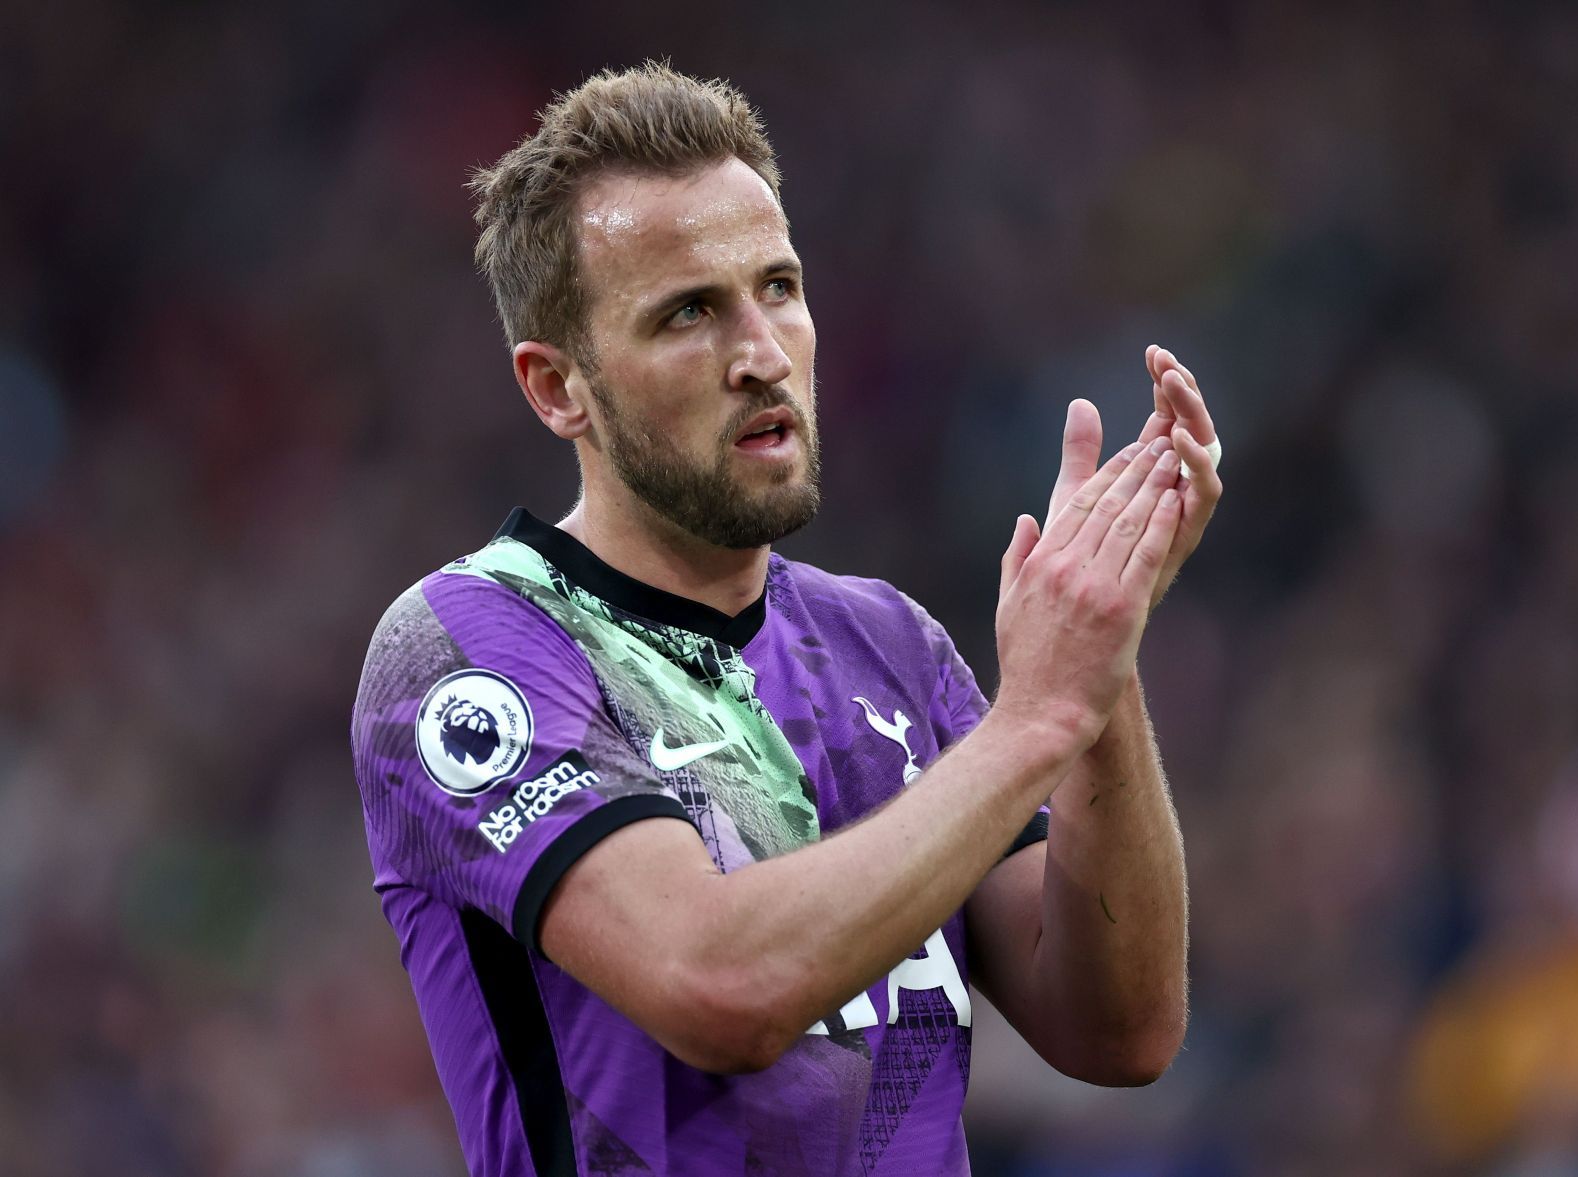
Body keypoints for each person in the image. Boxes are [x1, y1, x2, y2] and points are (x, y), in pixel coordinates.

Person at [349, 62, 1223, 1177]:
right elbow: (720, 988)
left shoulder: (889, 646)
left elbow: (1120, 1029)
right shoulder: (470, 650)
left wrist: (1100, 654)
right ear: (559, 387)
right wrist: (1040, 716)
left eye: (779, 287)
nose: (762, 351)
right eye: (689, 313)